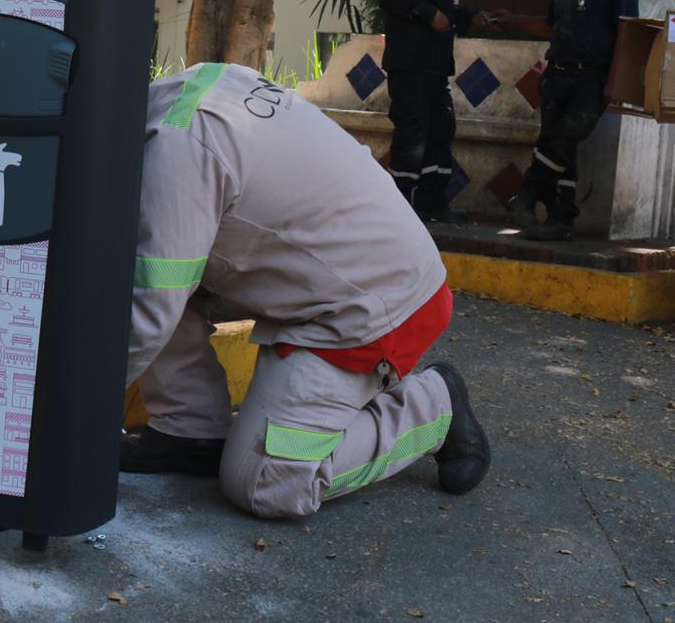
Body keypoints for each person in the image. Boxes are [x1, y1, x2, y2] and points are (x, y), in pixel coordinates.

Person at [118, 62, 491, 519]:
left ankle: (433, 405)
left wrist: (57, 416)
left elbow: (149, 310)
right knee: (133, 258)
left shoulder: (178, 152)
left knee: (266, 482)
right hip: (334, 275)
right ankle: (188, 428)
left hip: (374, 308)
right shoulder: (181, 92)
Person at [497, 0, 639, 241]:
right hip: (556, 75)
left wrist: (613, 81)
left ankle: (528, 195)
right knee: (560, 148)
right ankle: (560, 220)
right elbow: (551, 26)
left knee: (562, 138)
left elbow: (627, 34)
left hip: (591, 78)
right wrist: (514, 21)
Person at [378, 0, 492, 224]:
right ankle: (399, 210)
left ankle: (432, 204)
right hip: (410, 64)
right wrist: (428, 14)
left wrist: (470, 16)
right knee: (411, 132)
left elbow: (444, 7)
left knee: (441, 129)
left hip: (434, 65)